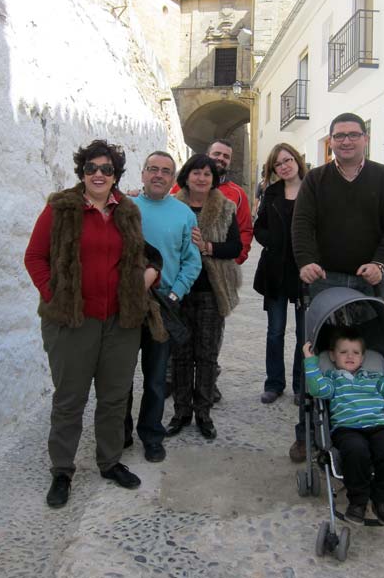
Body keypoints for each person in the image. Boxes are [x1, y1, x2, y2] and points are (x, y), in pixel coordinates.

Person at [24, 140, 163, 508]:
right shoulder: (61, 208)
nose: (98, 174)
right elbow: (35, 257)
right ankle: (62, 469)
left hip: (121, 321)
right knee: (70, 398)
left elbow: (138, 256)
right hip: (72, 322)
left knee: (115, 397)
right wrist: (55, 296)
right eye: (91, 168)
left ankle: (109, 461)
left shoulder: (127, 211)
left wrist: (150, 274)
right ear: (81, 172)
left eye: (106, 169)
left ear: (116, 175)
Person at [289, 112, 384, 463]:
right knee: (316, 351)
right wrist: (306, 261)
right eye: (339, 136)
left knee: (369, 351)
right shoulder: (316, 179)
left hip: (368, 279)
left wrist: (381, 264)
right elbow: (302, 224)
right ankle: (307, 433)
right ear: (331, 142)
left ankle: (375, 424)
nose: (346, 141)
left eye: (353, 135)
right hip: (324, 278)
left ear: (365, 139)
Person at [124, 151, 202, 463]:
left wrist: (175, 295)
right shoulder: (125, 209)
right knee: (122, 376)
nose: (158, 175)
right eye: (152, 169)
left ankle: (152, 435)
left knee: (156, 377)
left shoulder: (184, 214)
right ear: (142, 174)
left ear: (173, 178)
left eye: (165, 171)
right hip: (128, 304)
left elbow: (191, 260)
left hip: (164, 307)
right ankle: (120, 433)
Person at [166, 154, 242, 440]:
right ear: (186, 176)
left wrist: (208, 246)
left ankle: (203, 412)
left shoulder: (225, 207)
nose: (201, 178)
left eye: (207, 174)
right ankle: (181, 411)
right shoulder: (172, 206)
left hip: (212, 291)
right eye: (196, 172)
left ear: (214, 179)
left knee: (207, 356)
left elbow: (235, 246)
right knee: (181, 355)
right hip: (179, 291)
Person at [303, 327, 384, 525]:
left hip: (378, 427)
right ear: (333, 356)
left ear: (363, 357)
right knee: (355, 450)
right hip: (347, 429)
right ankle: (358, 502)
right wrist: (310, 360)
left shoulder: (375, 378)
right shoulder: (332, 380)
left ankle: (382, 501)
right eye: (343, 352)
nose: (350, 356)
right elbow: (316, 389)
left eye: (355, 352)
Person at [253, 144, 307, 405]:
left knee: (303, 333)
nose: (284, 166)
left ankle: (300, 386)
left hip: (304, 273)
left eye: (287, 160)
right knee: (275, 331)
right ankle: (274, 383)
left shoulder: (312, 190)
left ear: (297, 160)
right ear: (273, 169)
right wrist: (273, 242)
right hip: (275, 271)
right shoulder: (271, 192)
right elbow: (258, 228)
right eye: (278, 163)